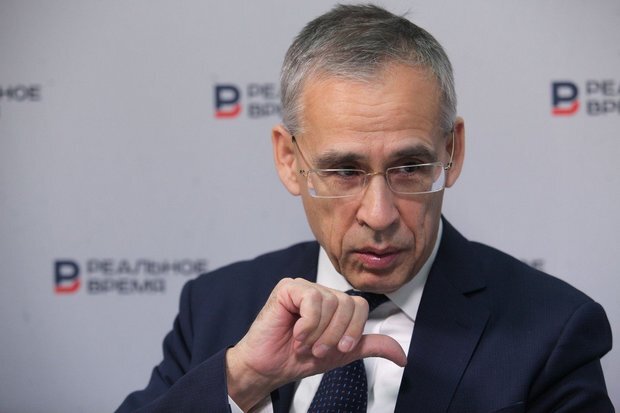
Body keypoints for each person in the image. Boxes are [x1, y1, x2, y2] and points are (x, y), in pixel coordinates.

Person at [116, 4, 613, 412]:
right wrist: (242, 381)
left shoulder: (552, 330)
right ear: (289, 160)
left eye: (410, 167)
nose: (379, 215)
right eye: (344, 171)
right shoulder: (213, 307)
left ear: (453, 150)